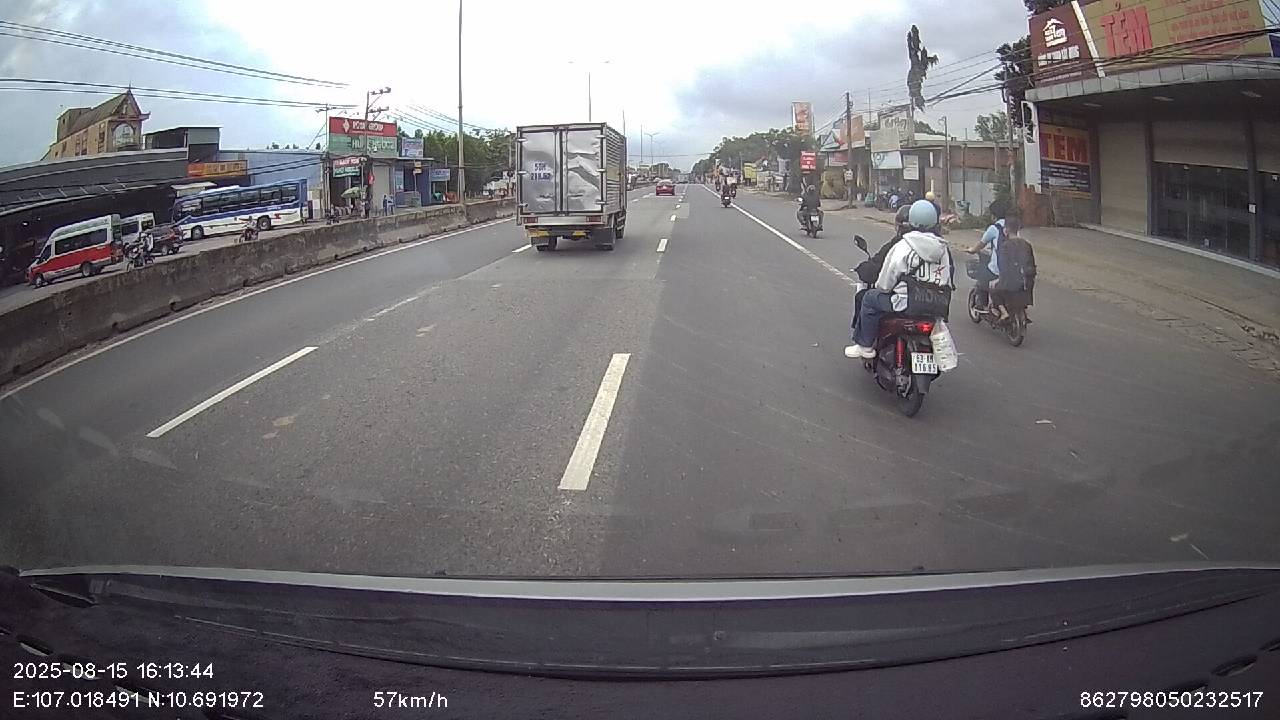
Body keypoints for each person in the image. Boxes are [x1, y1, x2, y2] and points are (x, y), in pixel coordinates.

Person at [845, 200, 953, 359]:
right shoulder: (943, 248)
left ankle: (865, 346)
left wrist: (883, 288)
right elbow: (949, 277)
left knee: (869, 298)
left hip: (905, 303)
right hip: (938, 305)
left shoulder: (904, 244)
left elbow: (885, 282)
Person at [989, 215, 1036, 321]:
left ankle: (1003, 312)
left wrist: (998, 280)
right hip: (1026, 283)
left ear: (1006, 229)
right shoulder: (1027, 245)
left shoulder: (1005, 246)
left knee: (992, 287)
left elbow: (1003, 267)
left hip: (1010, 283)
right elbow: (1031, 264)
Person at [967, 202, 1008, 312]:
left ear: (993, 215)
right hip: (1013, 268)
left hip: (998, 269)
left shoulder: (994, 228)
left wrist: (972, 250)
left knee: (982, 276)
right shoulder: (1012, 228)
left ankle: (982, 305)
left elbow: (981, 244)